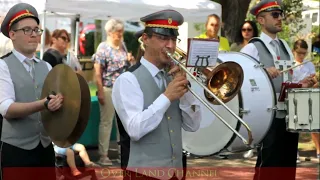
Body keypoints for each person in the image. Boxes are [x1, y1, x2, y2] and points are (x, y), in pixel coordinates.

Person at [112, 9, 202, 180]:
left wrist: (185, 93)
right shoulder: (128, 80)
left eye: (173, 39)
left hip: (177, 171)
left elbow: (193, 125)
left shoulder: (172, 77)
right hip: (142, 174)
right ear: (145, 39)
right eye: (163, 38)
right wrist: (167, 97)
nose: (170, 45)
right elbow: (134, 129)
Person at [240, 1, 316, 180]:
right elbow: (239, 76)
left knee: (287, 166)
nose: (280, 18)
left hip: (289, 114)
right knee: (269, 165)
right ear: (260, 20)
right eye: (274, 15)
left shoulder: (284, 45)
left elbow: (290, 76)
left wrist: (302, 83)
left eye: (280, 14)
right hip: (268, 116)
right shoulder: (253, 47)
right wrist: (262, 72)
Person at [0, 3, 64, 180]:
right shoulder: (3, 65)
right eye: (27, 30)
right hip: (16, 150)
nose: (34, 34)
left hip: (44, 147)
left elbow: (55, 103)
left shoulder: (47, 66)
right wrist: (44, 104)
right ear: (12, 34)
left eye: (37, 29)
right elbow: (6, 108)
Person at [93, 18, 132, 166]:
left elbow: (127, 65)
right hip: (109, 88)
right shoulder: (103, 47)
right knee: (106, 122)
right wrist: (100, 91)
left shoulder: (123, 45)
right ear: (110, 32)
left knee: (122, 122)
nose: (121, 34)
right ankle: (103, 155)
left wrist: (129, 59)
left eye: (122, 31)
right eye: (118, 32)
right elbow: (98, 72)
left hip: (123, 89)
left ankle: (122, 153)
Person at [291, 39, 319, 161]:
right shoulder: (290, 64)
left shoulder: (309, 64)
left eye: (304, 53)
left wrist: (313, 82)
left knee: (314, 125)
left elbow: (315, 81)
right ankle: (294, 152)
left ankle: (318, 151)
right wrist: (301, 83)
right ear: (293, 51)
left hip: (309, 95)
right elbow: (289, 83)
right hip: (295, 96)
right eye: (299, 53)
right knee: (294, 126)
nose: (302, 56)